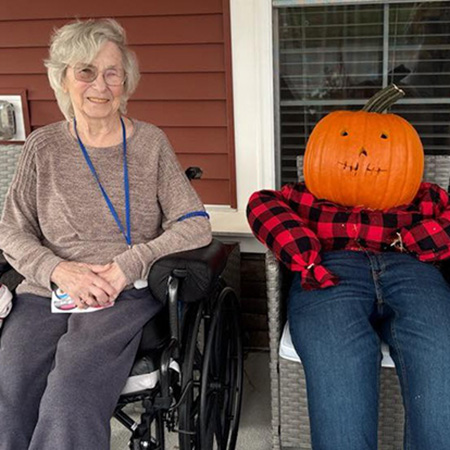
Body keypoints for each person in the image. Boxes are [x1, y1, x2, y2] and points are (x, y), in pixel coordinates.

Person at [0, 18, 211, 450]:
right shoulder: (43, 146)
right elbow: (11, 229)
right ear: (63, 79)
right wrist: (57, 269)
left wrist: (126, 266)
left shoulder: (150, 143)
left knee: (70, 395)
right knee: (9, 392)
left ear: (126, 81)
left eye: (112, 72)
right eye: (86, 71)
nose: (100, 85)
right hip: (47, 292)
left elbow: (195, 223)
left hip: (123, 294)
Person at [247, 164, 450, 445]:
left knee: (440, 352)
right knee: (338, 357)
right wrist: (304, 251)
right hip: (330, 268)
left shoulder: (426, 196)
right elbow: (261, 203)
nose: (365, 156)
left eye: (382, 143)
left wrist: (412, 239)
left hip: (412, 269)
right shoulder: (305, 196)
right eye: (347, 141)